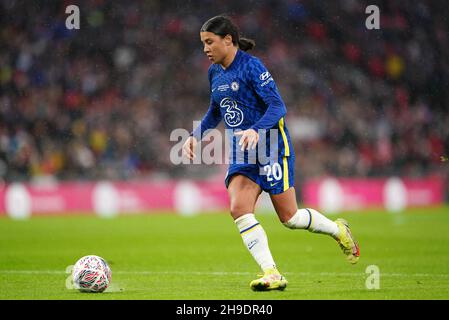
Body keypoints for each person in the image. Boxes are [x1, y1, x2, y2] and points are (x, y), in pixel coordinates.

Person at [182, 15, 360, 291]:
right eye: (203, 43)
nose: (205, 49)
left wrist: (256, 129)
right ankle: (272, 272)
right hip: (243, 153)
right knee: (238, 209)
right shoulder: (214, 72)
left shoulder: (252, 68)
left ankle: (338, 231)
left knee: (290, 218)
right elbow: (216, 110)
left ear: (228, 40)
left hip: (272, 147)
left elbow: (277, 107)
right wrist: (195, 136)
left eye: (209, 42)